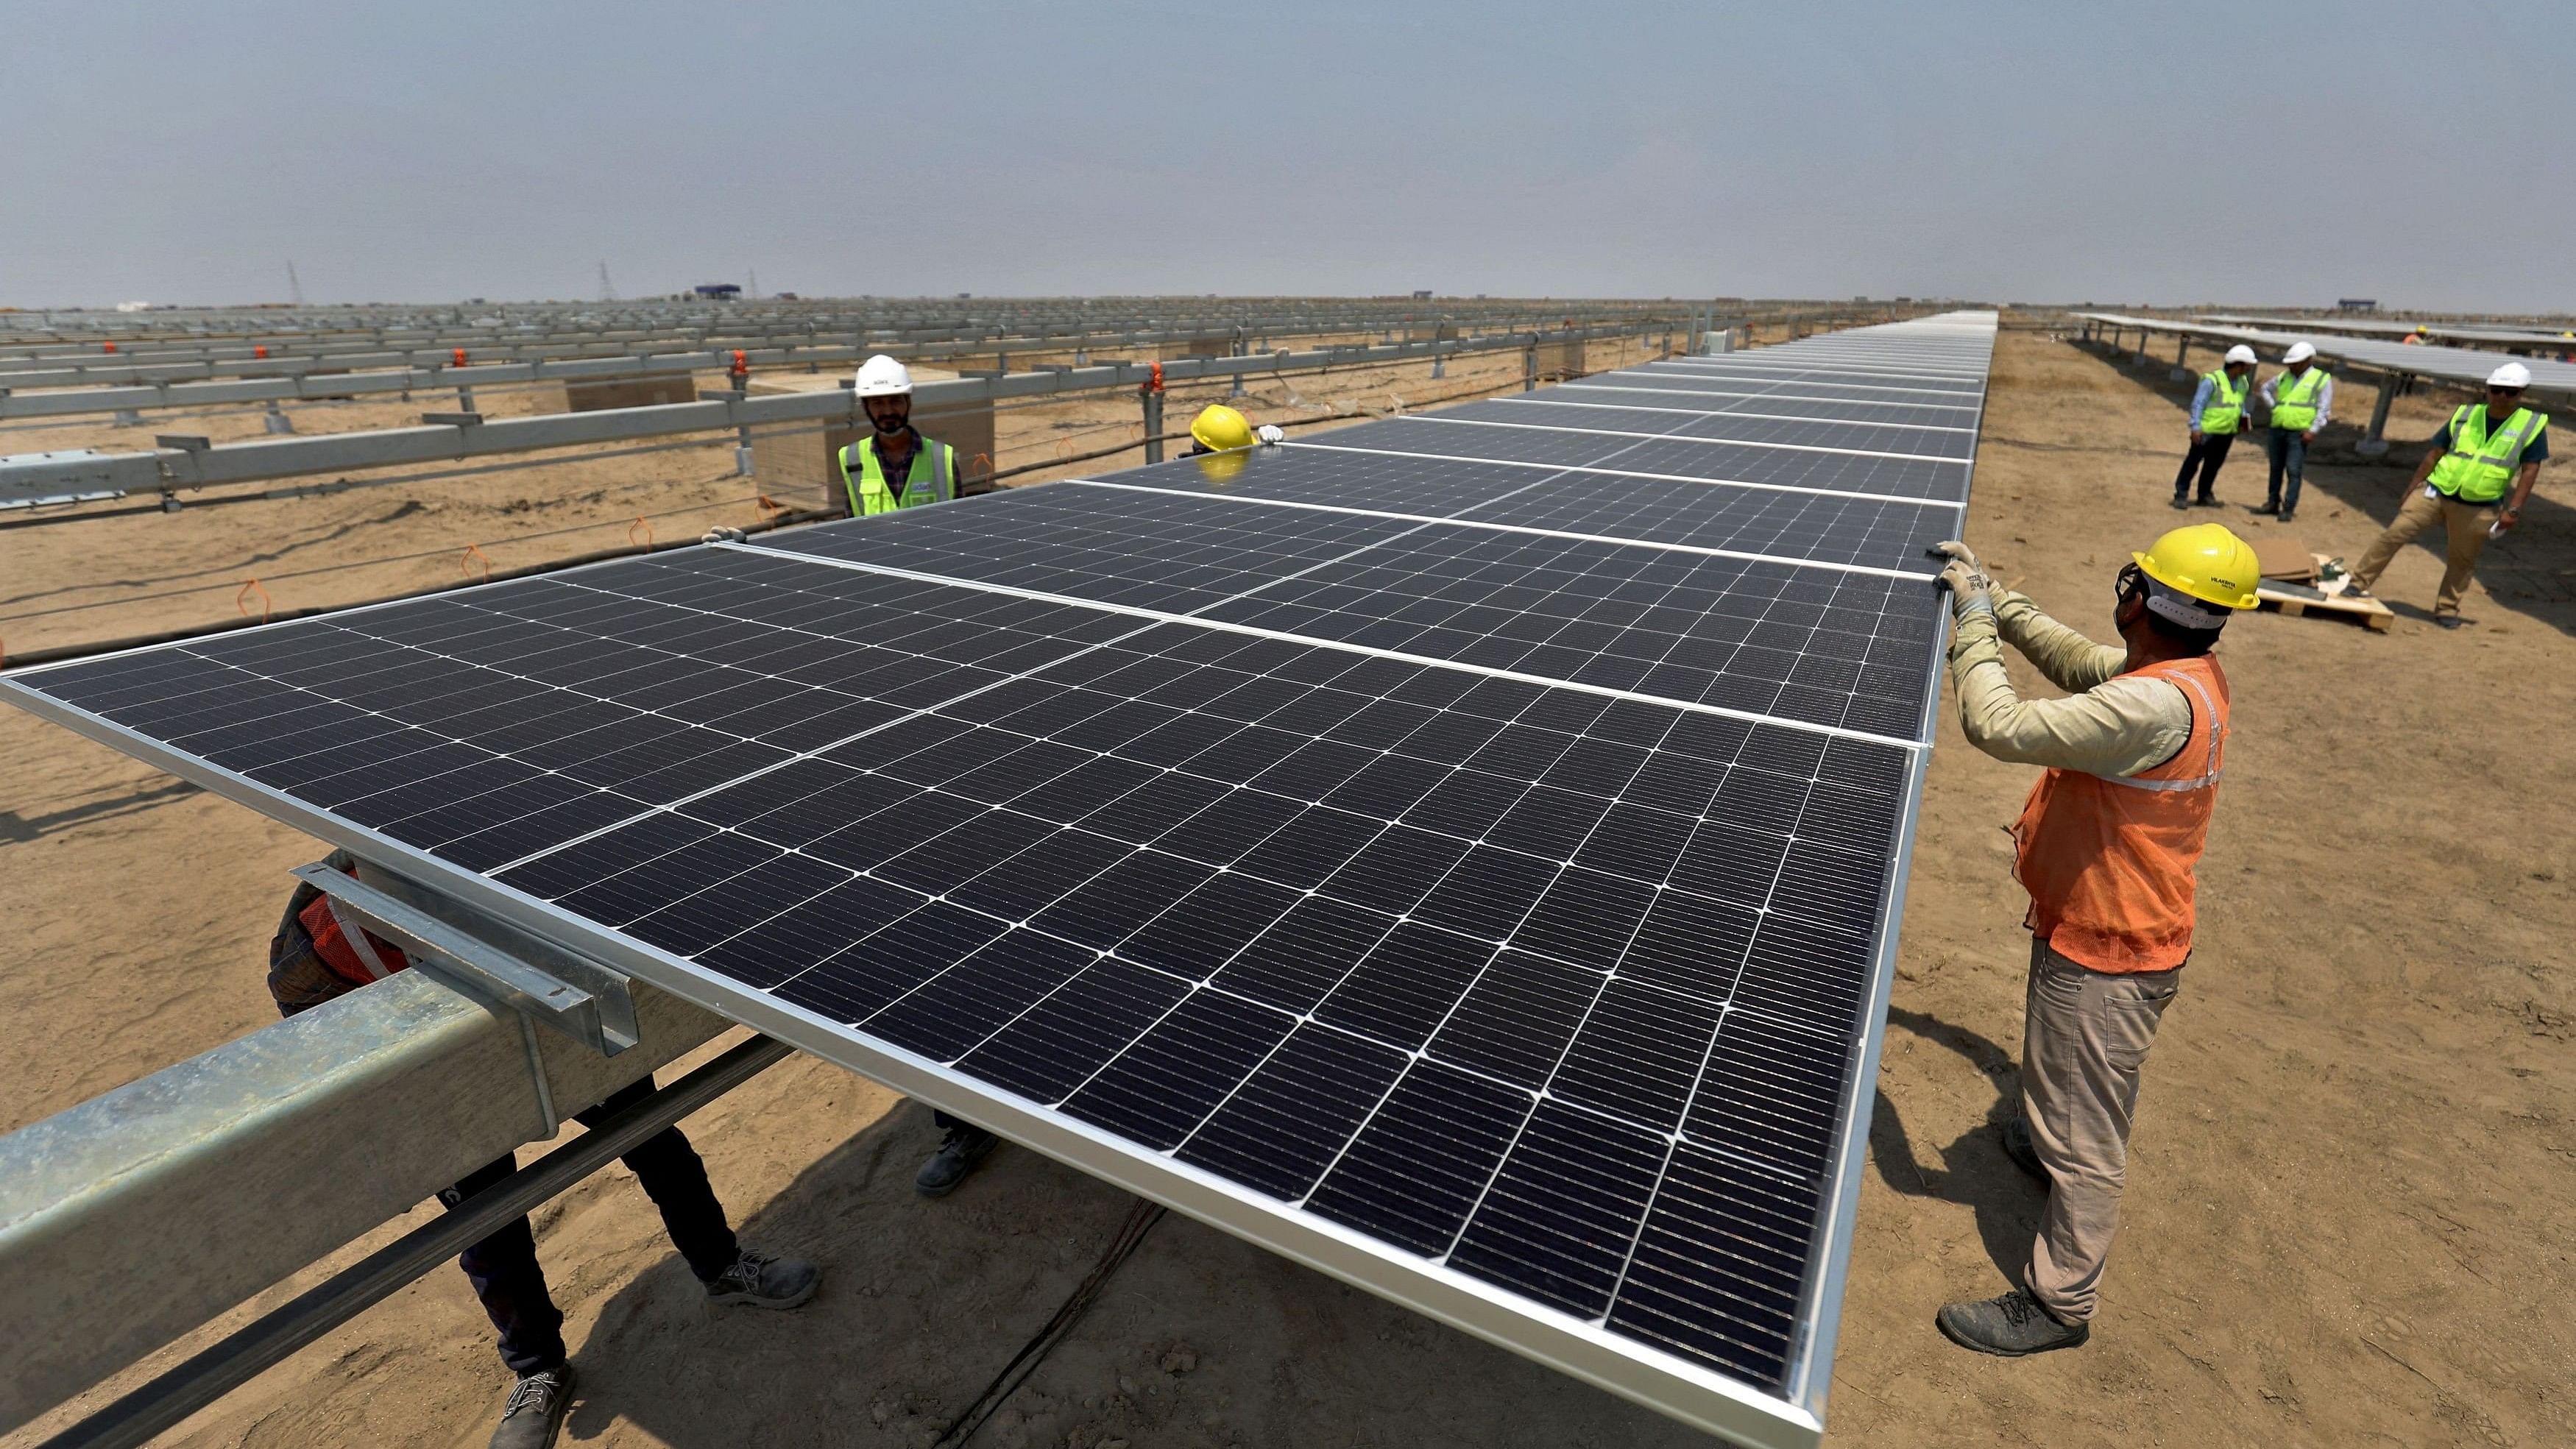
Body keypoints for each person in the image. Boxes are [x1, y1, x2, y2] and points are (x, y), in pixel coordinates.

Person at [266, 854, 821, 1449]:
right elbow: (314, 1020)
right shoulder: (325, 937)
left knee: (652, 1136)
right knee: (485, 1217)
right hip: (435, 1057)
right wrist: (404, 1110)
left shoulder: (535, 858)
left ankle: (722, 1266)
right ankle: (538, 1369)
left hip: (555, 1009)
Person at [1925, 524, 2260, 1358]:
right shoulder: (2181, 676)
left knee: (2087, 1136)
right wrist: (2000, 602)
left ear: (2139, 600)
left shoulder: (2149, 703)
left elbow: (1995, 722)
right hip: (2105, 925)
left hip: (2112, 949)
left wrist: (1969, 622)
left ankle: (2058, 1302)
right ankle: (2039, 1142)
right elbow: (2080, 663)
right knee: (2057, 1077)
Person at [2343, 361, 2550, 628]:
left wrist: (2514, 510)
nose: (2502, 396)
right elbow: (2435, 453)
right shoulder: (2466, 414)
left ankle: (2447, 608)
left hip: (2480, 504)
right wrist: (2413, 486)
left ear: (2523, 393)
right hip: (2437, 491)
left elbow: (2530, 470)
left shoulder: (2530, 425)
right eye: (2497, 389)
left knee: (2462, 559)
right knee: (2394, 534)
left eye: (2511, 392)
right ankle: (2358, 582)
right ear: (2487, 389)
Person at [839, 354, 960, 516]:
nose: (888, 411)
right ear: (865, 407)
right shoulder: (851, 459)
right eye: (877, 403)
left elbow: (959, 521)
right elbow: (851, 521)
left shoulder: (941, 457)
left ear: (908, 402)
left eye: (896, 401)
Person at [2171, 345, 2257, 510]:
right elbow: (2198, 404)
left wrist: (2244, 420)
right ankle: (2181, 494)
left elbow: (2240, 404)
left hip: (2227, 432)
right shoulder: (2212, 380)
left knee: (2213, 465)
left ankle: (2204, 494)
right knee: (2193, 463)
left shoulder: (2243, 382)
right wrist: (2195, 427)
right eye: (2247, 365)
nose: (2249, 368)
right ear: (2238, 364)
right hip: (2207, 431)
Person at [2256, 341, 2332, 522]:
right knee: (2276, 468)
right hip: (2277, 429)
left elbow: (2324, 408)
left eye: (2296, 363)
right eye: (2290, 363)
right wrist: (2274, 407)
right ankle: (2272, 502)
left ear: (2307, 360)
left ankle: (2288, 507)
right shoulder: (2284, 376)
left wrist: (2313, 430)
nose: (2292, 366)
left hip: (2298, 433)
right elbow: (2265, 389)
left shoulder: (2321, 379)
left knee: (2293, 470)